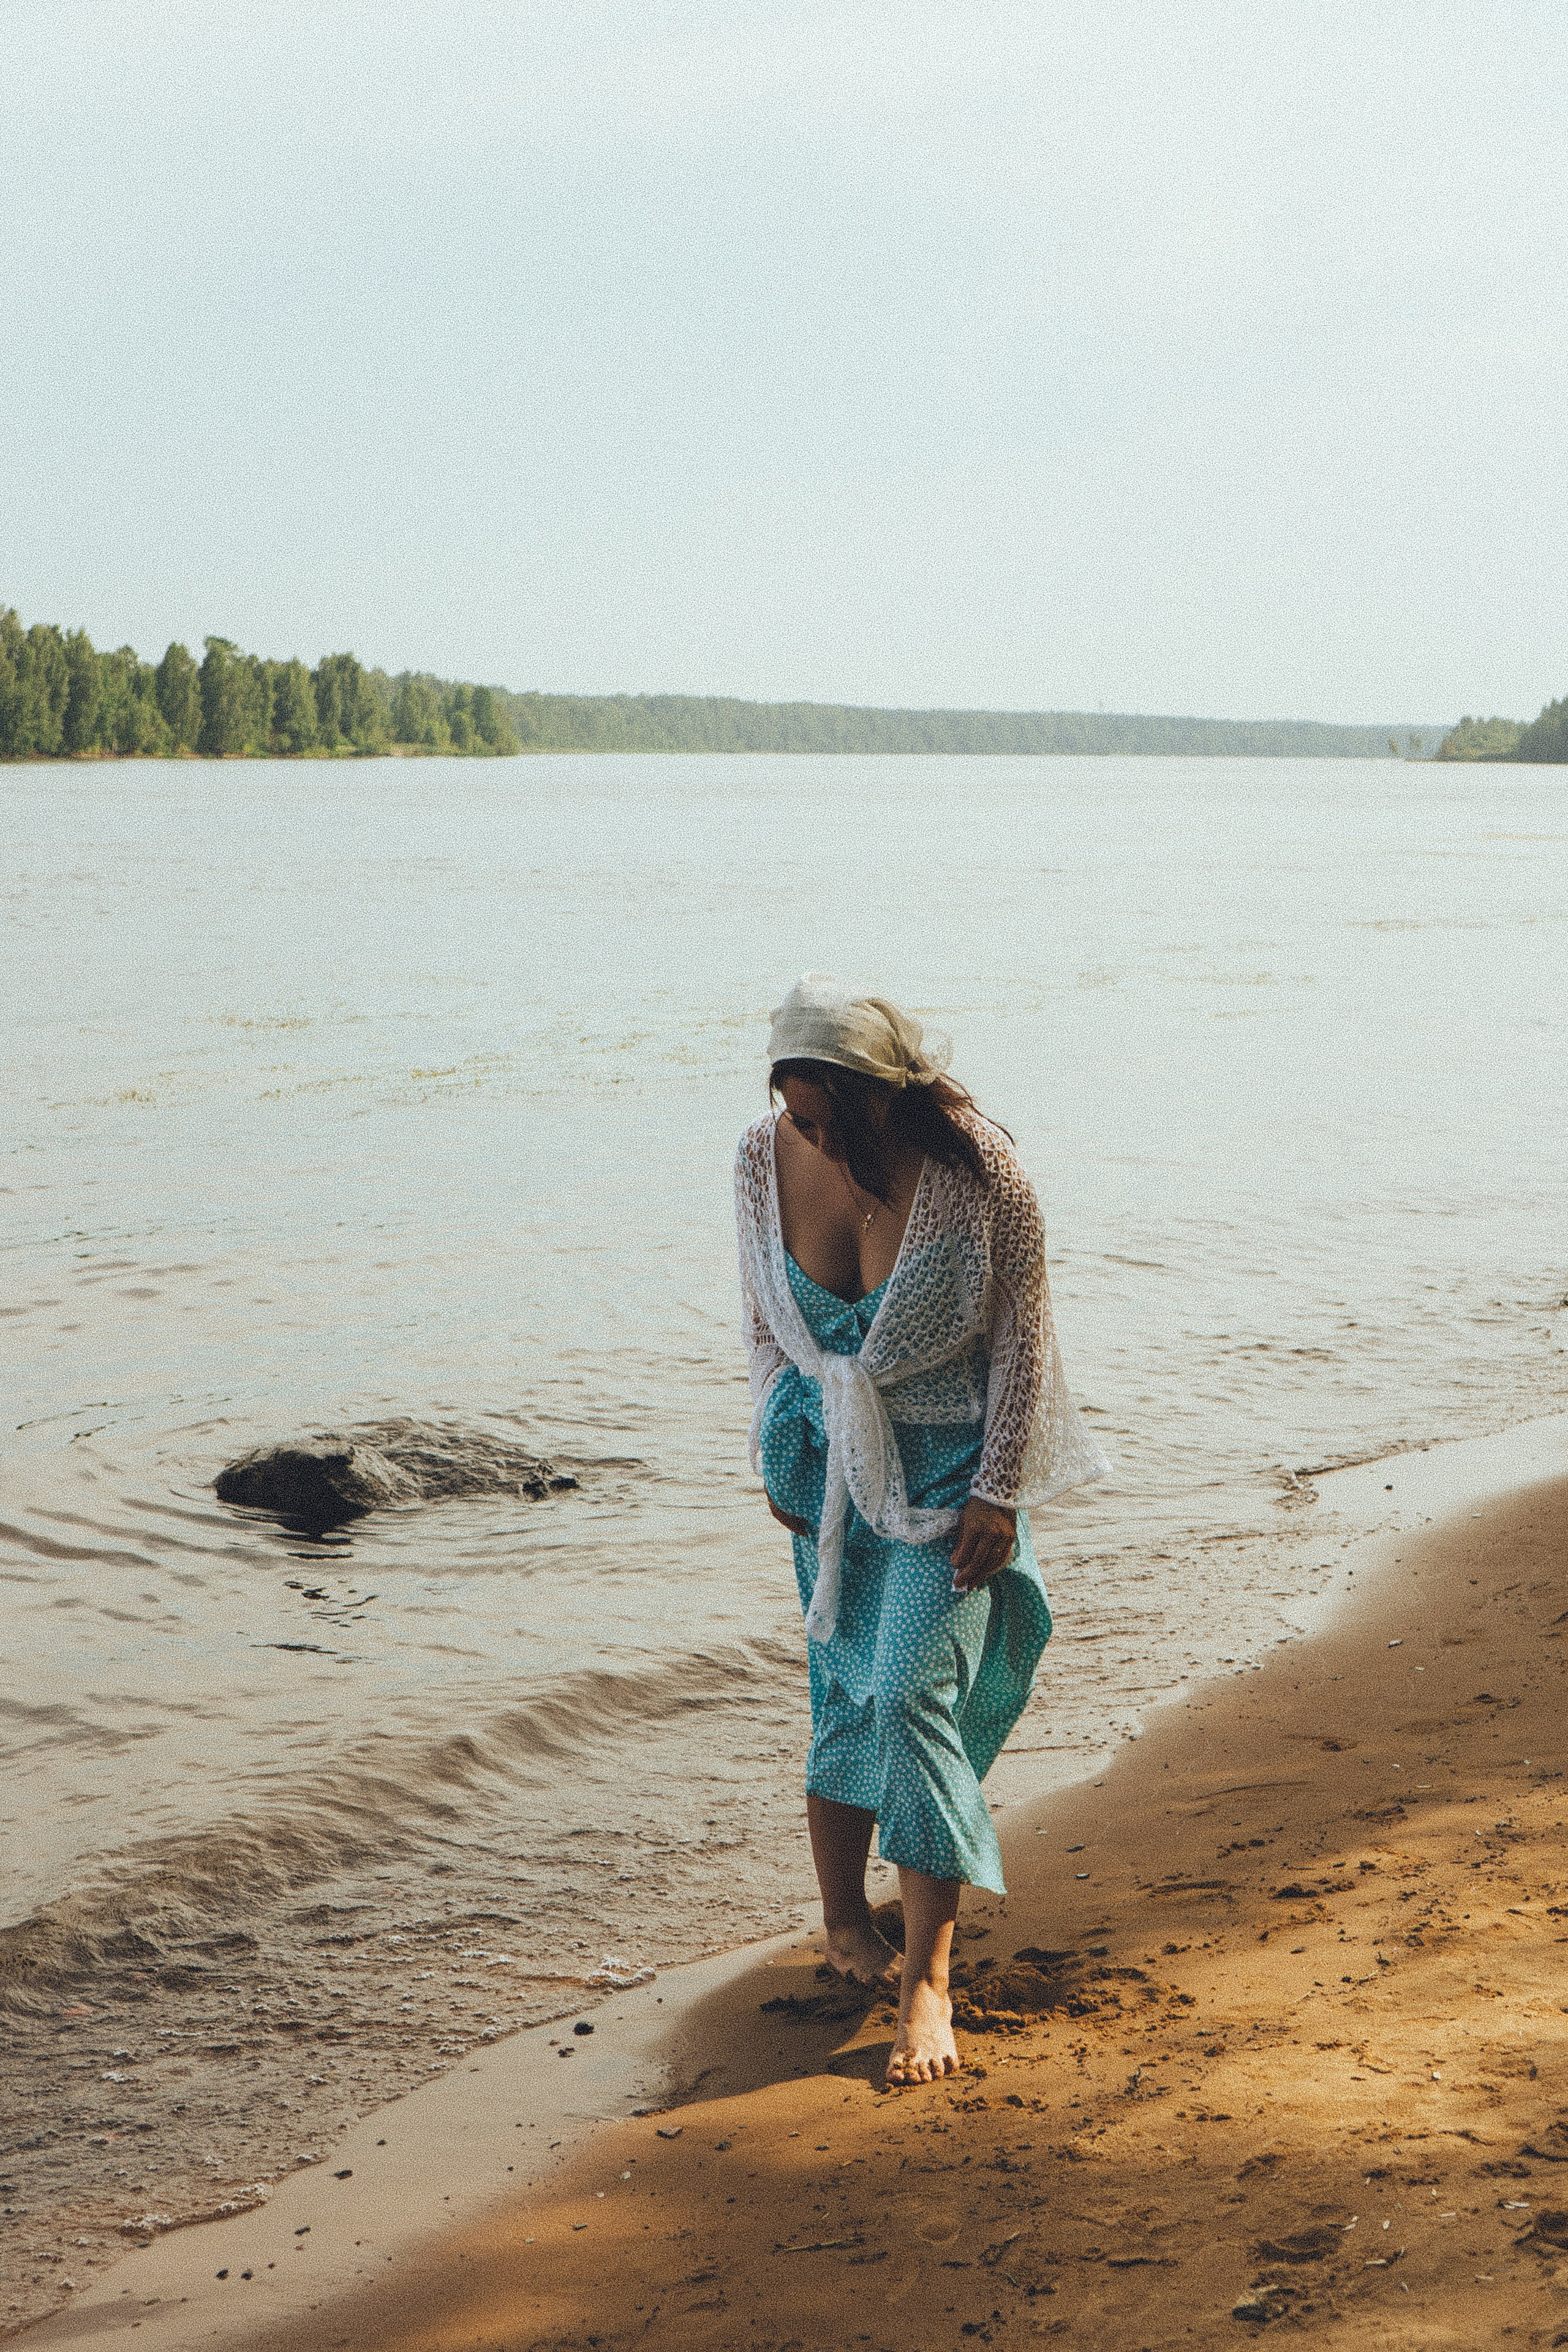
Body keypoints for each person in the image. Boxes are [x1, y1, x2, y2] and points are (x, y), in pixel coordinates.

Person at [734, 973, 1109, 2085]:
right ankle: (845, 1924)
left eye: (823, 1117)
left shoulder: (977, 1164)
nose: (805, 1135)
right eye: (794, 1113)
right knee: (846, 1692)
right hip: (830, 1470)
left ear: (880, 1096)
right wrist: (774, 1440)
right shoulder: (762, 1157)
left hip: (951, 1475)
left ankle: (929, 1986)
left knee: (908, 1694)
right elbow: (760, 1314)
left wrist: (1002, 1487)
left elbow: (1025, 1337)